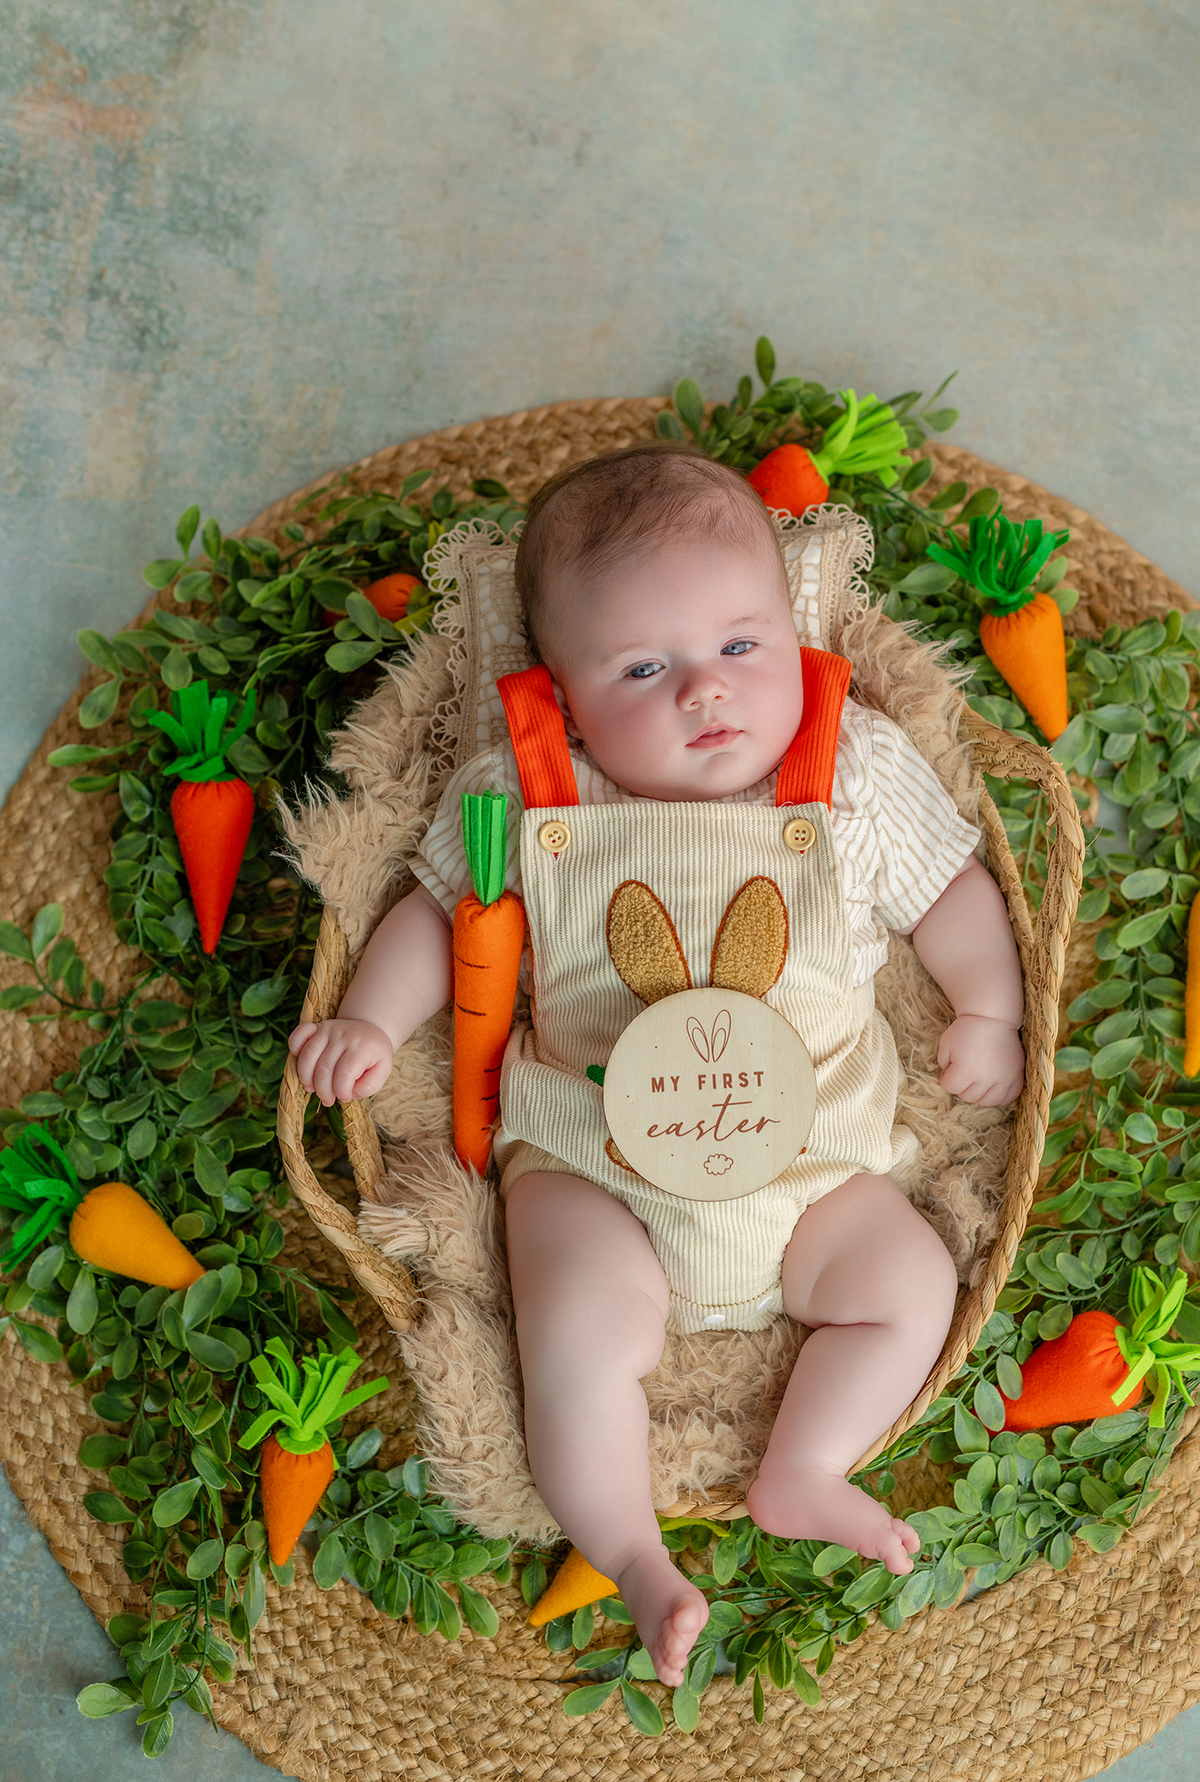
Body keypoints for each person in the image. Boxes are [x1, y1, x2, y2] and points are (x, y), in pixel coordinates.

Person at [289, 445, 1025, 1688]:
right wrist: (370, 1017)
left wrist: (992, 1011)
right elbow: (429, 909)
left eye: (741, 646)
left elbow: (954, 891)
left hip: (817, 1165)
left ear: (786, 636)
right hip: (594, 1161)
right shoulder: (528, 793)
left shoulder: (853, 769)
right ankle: (632, 1551)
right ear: (565, 699)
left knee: (906, 1283)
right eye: (644, 668)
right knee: (571, 1335)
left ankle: (806, 1466)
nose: (707, 693)